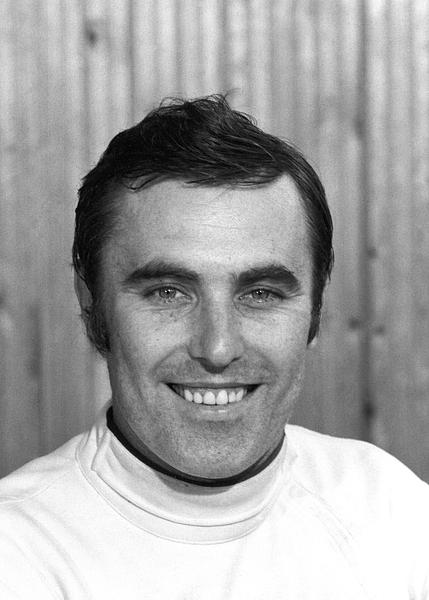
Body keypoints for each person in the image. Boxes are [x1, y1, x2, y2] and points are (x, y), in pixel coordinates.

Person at [0, 95, 427, 599]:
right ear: (91, 304)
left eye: (261, 294)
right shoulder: (18, 552)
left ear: (315, 309)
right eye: (168, 292)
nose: (219, 348)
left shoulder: (396, 517)